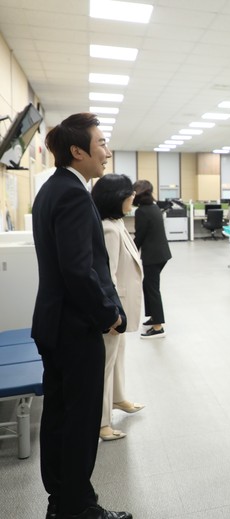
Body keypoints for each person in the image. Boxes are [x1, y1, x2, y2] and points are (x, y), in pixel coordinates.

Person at [31, 112, 132, 519]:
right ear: (77, 151)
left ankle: (61, 501)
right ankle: (78, 507)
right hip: (75, 328)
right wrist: (108, 314)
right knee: (80, 421)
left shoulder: (51, 190)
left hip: (54, 324)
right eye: (101, 143)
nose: (107, 152)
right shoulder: (73, 194)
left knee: (59, 417)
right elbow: (78, 269)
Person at [91, 174, 145, 441]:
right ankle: (102, 422)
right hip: (115, 308)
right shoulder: (109, 229)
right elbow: (107, 275)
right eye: (129, 194)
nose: (133, 197)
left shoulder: (117, 222)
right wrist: (112, 313)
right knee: (106, 363)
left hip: (122, 304)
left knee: (119, 354)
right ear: (116, 197)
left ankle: (119, 398)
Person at [132, 180, 172, 339]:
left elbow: (139, 236)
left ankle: (158, 327)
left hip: (153, 256)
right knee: (148, 285)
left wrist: (130, 251)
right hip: (161, 254)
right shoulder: (154, 207)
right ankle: (154, 317)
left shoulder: (141, 211)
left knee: (152, 288)